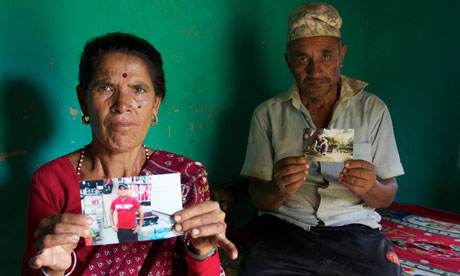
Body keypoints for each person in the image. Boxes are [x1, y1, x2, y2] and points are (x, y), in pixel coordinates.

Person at [22, 32, 237, 276]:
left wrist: (202, 252)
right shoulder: (51, 181)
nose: (122, 104)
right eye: (105, 87)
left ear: (156, 104)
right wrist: (53, 271)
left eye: (138, 90)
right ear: (83, 100)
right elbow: (33, 269)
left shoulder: (183, 176)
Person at [239, 2, 404, 275]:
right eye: (303, 59)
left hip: (354, 230)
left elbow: (388, 194)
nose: (315, 71)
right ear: (289, 62)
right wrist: (279, 188)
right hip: (284, 229)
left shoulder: (373, 110)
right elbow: (258, 198)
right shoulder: (266, 114)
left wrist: (370, 187)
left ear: (342, 55)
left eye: (326, 56)